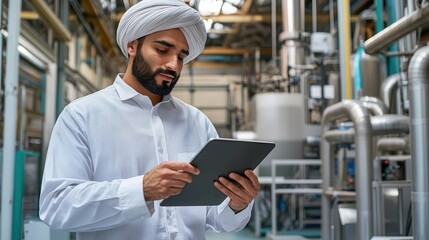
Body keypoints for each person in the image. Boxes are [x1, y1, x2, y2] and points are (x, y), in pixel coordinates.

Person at [39, 0, 260, 239]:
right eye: (163, 50)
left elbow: (213, 217)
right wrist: (141, 190)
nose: (173, 65)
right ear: (132, 46)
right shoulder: (82, 116)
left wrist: (237, 203)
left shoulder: (198, 122)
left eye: (181, 56)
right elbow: (57, 207)